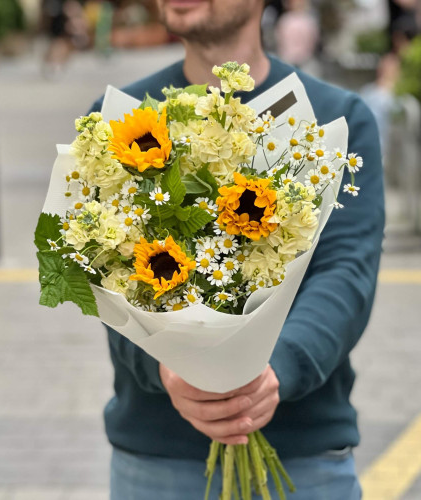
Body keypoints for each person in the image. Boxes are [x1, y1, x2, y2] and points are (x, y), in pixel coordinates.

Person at [88, 0, 385, 498]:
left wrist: (273, 374)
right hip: (156, 459)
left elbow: (345, 271)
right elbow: (106, 275)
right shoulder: (121, 121)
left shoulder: (336, 119)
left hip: (302, 457)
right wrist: (169, 370)